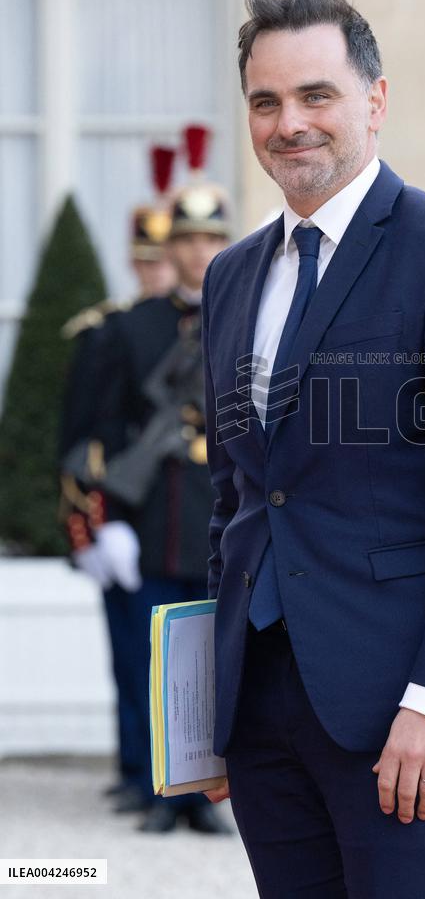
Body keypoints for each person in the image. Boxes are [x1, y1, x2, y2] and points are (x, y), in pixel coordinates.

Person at [201, 0, 425, 898]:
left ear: (375, 100)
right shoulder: (230, 277)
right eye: (266, 101)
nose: (289, 123)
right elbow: (235, 500)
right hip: (262, 713)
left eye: (316, 95)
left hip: (408, 711)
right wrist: (211, 701)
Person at [93, 125, 233, 833]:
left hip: (221, 518)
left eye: (212, 239)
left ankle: (203, 794)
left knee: (212, 664)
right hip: (152, 517)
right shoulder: (132, 328)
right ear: (168, 247)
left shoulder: (246, 321)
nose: (199, 252)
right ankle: (160, 792)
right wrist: (109, 520)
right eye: (187, 240)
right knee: (156, 663)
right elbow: (104, 430)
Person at [59, 146, 178, 810]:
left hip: (182, 519)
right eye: (150, 261)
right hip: (125, 516)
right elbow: (82, 442)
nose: (160, 271)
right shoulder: (108, 333)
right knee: (133, 654)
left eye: (169, 259)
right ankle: (139, 769)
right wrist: (91, 527)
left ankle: (179, 779)